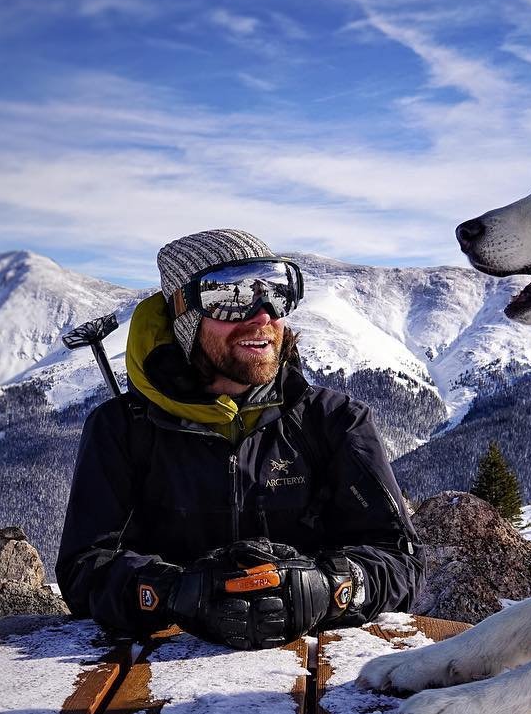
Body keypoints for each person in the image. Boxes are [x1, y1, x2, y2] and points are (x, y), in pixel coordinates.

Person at [57, 228, 424, 651]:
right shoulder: (123, 429)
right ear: (184, 317)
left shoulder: (334, 422)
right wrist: (173, 592)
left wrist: (327, 588)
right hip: (157, 671)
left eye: (278, 292)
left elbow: (401, 561)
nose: (262, 315)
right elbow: (84, 570)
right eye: (228, 298)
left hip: (313, 668)